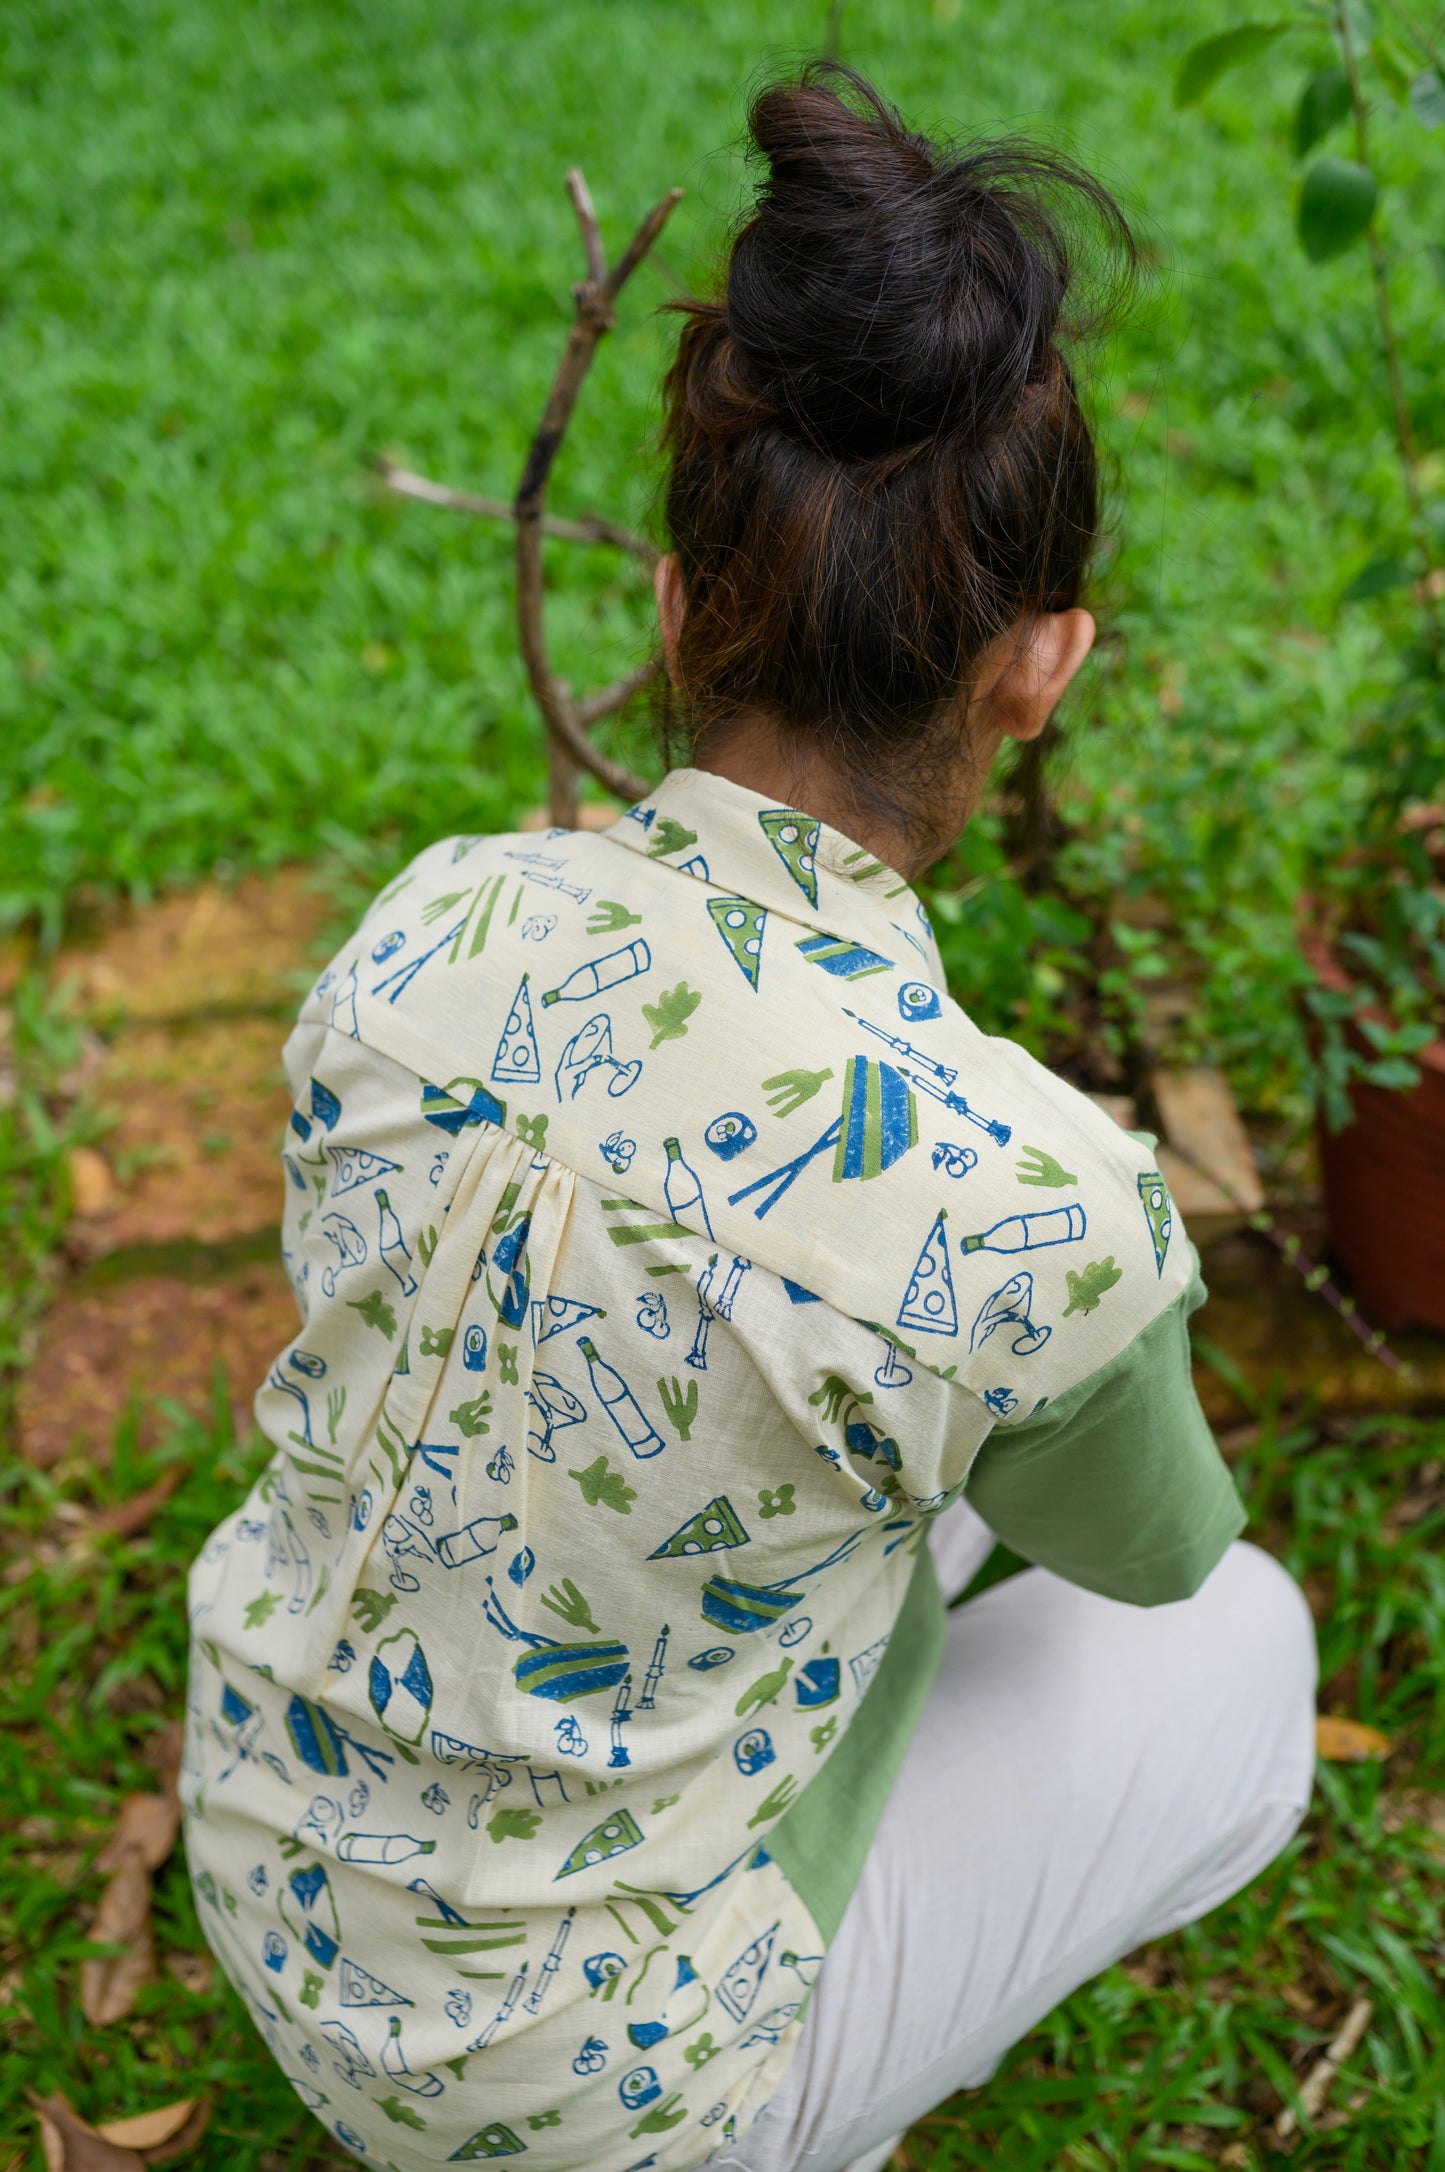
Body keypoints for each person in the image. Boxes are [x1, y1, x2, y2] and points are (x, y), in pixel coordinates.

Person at [182, 64, 1317, 2172]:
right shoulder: (1027, 1202)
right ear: (1039, 669)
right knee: (1250, 1654)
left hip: (264, 1878)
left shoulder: (428, 931)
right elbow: (1155, 1555)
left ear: (676, 603)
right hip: (578, 2100)